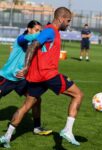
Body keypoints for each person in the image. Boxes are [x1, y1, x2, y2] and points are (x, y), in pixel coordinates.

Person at [0, 7, 83, 148]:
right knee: (78, 95)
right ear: (61, 18)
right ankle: (68, 130)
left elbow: (36, 44)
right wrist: (26, 67)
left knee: (27, 105)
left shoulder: (49, 31)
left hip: (36, 77)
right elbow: (33, 46)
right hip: (48, 74)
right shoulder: (51, 31)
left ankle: (7, 137)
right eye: (68, 21)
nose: (69, 24)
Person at [0, 20, 52, 148]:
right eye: (36, 30)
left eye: (40, 30)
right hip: (7, 77)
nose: (38, 32)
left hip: (22, 80)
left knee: (35, 100)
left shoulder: (35, 43)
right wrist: (47, 32)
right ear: (29, 29)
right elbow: (30, 38)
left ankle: (37, 127)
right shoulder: (21, 39)